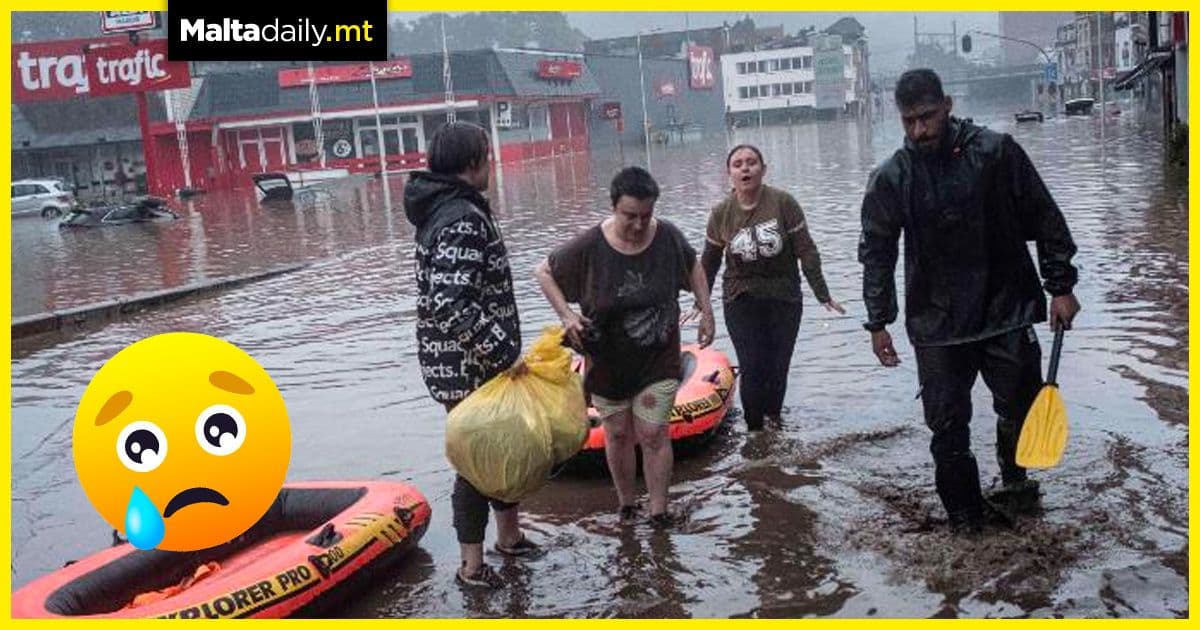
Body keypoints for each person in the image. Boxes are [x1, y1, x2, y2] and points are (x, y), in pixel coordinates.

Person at [858, 69, 1081, 533]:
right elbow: (877, 252)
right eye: (909, 122)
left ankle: (1015, 481)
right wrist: (878, 321)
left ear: (948, 106)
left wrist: (1060, 285)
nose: (919, 131)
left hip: (1005, 308)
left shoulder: (996, 152)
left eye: (927, 117)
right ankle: (966, 520)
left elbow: (1045, 217)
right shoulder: (892, 177)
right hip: (936, 323)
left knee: (1020, 405)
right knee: (946, 426)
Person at [534, 166, 715, 527]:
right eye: (629, 216)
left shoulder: (667, 237)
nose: (637, 224)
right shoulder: (589, 245)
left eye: (645, 216)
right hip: (607, 358)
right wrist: (567, 315)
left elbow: (693, 264)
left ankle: (660, 510)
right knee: (616, 432)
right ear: (614, 207)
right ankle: (627, 504)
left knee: (652, 433)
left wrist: (705, 308)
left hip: (657, 356)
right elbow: (543, 272)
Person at [405, 121, 537, 589]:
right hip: (469, 368)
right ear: (472, 162)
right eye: (488, 154)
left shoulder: (445, 209)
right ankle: (472, 567)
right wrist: (503, 353)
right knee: (476, 462)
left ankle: (510, 539)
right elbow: (450, 303)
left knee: (496, 451)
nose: (493, 163)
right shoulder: (460, 217)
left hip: (458, 364)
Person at [700, 145, 845, 431]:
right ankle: (755, 434)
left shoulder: (783, 203)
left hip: (784, 297)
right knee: (753, 364)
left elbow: (806, 250)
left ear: (763, 170)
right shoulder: (721, 213)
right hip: (740, 298)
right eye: (738, 164)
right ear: (729, 173)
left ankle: (775, 425)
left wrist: (822, 292)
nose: (745, 168)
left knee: (777, 367)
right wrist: (700, 305)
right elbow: (709, 262)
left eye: (751, 163)